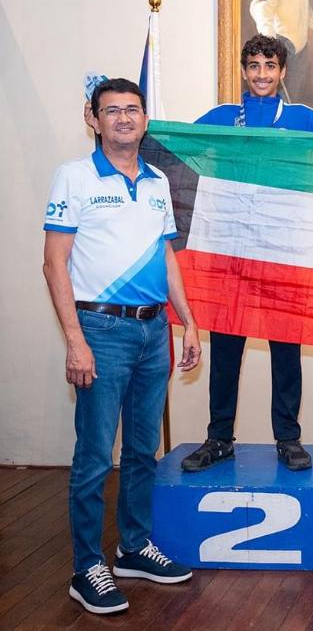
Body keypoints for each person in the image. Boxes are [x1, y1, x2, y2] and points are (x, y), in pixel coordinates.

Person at [43, 78, 200, 615]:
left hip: (154, 331)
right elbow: (54, 262)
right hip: (100, 334)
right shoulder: (75, 176)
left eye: (133, 110)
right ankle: (87, 567)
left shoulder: (156, 181)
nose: (124, 119)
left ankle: (133, 548)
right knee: (93, 457)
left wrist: (188, 321)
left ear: (145, 119)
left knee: (140, 452)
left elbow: (166, 255)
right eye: (112, 111)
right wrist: (74, 341)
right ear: (93, 119)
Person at [181, 34, 313, 474]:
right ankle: (219, 438)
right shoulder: (223, 117)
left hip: (285, 254)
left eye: (270, 66)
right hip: (232, 256)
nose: (262, 74)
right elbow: (175, 145)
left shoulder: (302, 117)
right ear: (244, 72)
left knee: (286, 351)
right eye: (254, 66)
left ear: (282, 71)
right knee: (226, 351)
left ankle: (288, 438)